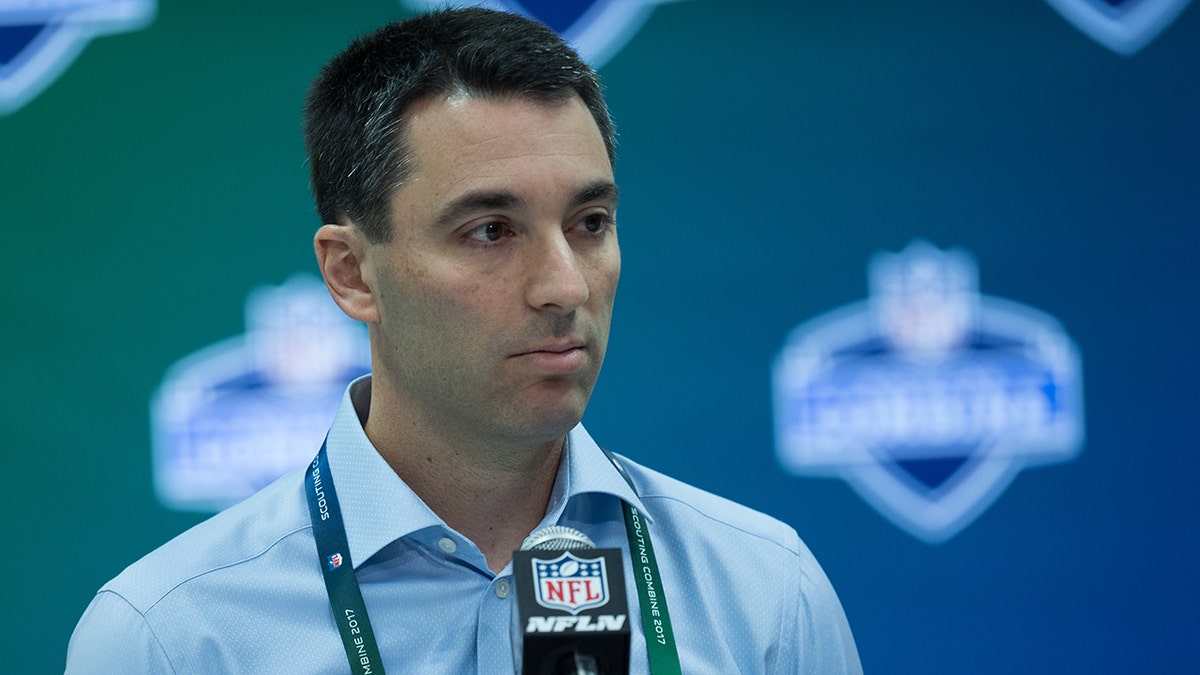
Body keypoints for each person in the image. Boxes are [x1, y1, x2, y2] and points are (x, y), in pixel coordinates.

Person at [66, 8, 861, 673]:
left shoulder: (766, 594)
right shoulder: (170, 638)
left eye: (590, 224)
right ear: (352, 274)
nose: (566, 285)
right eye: (490, 230)